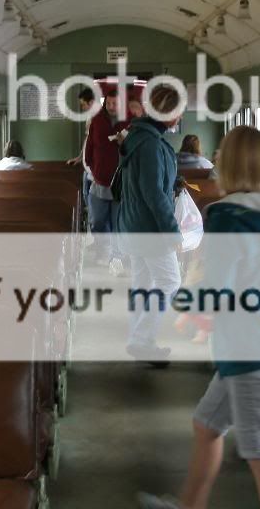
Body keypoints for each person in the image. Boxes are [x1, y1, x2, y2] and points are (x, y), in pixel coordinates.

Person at [137, 125, 260, 509]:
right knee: (207, 426)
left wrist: (187, 306)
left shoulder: (225, 216)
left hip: (254, 349)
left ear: (228, 165)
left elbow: (218, 285)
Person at [117, 84, 183, 363]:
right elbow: (154, 193)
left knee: (143, 282)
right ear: (168, 114)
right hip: (149, 227)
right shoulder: (152, 144)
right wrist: (172, 232)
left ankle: (139, 338)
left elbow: (147, 183)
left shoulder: (137, 137)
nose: (180, 118)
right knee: (170, 281)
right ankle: (142, 339)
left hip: (133, 223)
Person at [85, 87, 125, 267]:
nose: (111, 106)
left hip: (121, 181)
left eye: (114, 103)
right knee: (98, 220)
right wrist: (93, 170)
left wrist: (123, 143)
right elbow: (89, 148)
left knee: (118, 222)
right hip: (99, 179)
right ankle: (102, 248)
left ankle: (115, 256)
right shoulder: (97, 121)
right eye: (108, 103)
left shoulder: (128, 122)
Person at [67, 87, 97, 207]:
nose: (82, 108)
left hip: (95, 169)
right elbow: (87, 141)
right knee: (86, 196)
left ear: (91, 102)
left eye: (83, 104)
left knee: (92, 201)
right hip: (87, 167)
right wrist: (79, 158)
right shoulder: (90, 118)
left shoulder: (101, 119)